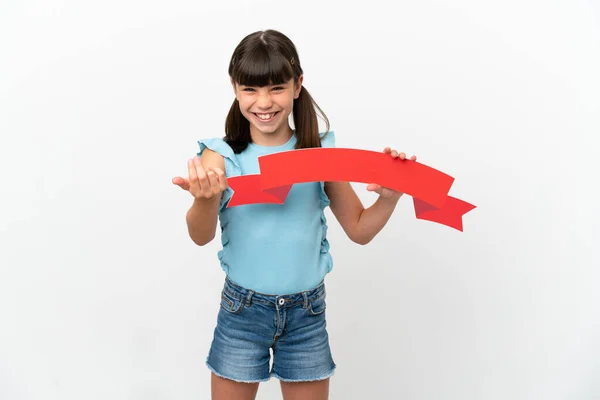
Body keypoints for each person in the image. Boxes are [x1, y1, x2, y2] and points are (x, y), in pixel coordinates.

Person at [172, 29, 416, 400]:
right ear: (234, 88)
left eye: (276, 88)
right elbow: (199, 235)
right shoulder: (220, 156)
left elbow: (359, 229)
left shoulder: (319, 156)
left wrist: (390, 197)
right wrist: (205, 200)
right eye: (250, 89)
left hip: (306, 314)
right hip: (242, 312)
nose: (263, 102)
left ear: (297, 85)